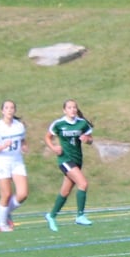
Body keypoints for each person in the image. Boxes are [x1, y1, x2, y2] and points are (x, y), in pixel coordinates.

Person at [44, 99, 94, 231]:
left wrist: (86, 139)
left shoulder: (82, 124)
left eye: (74, 107)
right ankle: (80, 215)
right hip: (65, 160)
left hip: (77, 160)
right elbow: (48, 137)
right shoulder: (59, 124)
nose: (72, 110)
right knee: (83, 184)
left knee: (65, 192)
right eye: (69, 107)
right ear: (64, 110)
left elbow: (90, 140)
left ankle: (52, 215)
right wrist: (53, 148)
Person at [0, 100, 28, 232]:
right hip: (2, 161)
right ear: (2, 111)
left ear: (14, 110)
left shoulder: (19, 126)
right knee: (7, 194)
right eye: (7, 108)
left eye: (12, 108)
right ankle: (3, 224)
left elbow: (22, 139)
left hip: (17, 161)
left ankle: (6, 211)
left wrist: (24, 146)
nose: (9, 110)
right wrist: (2, 146)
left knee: (23, 194)